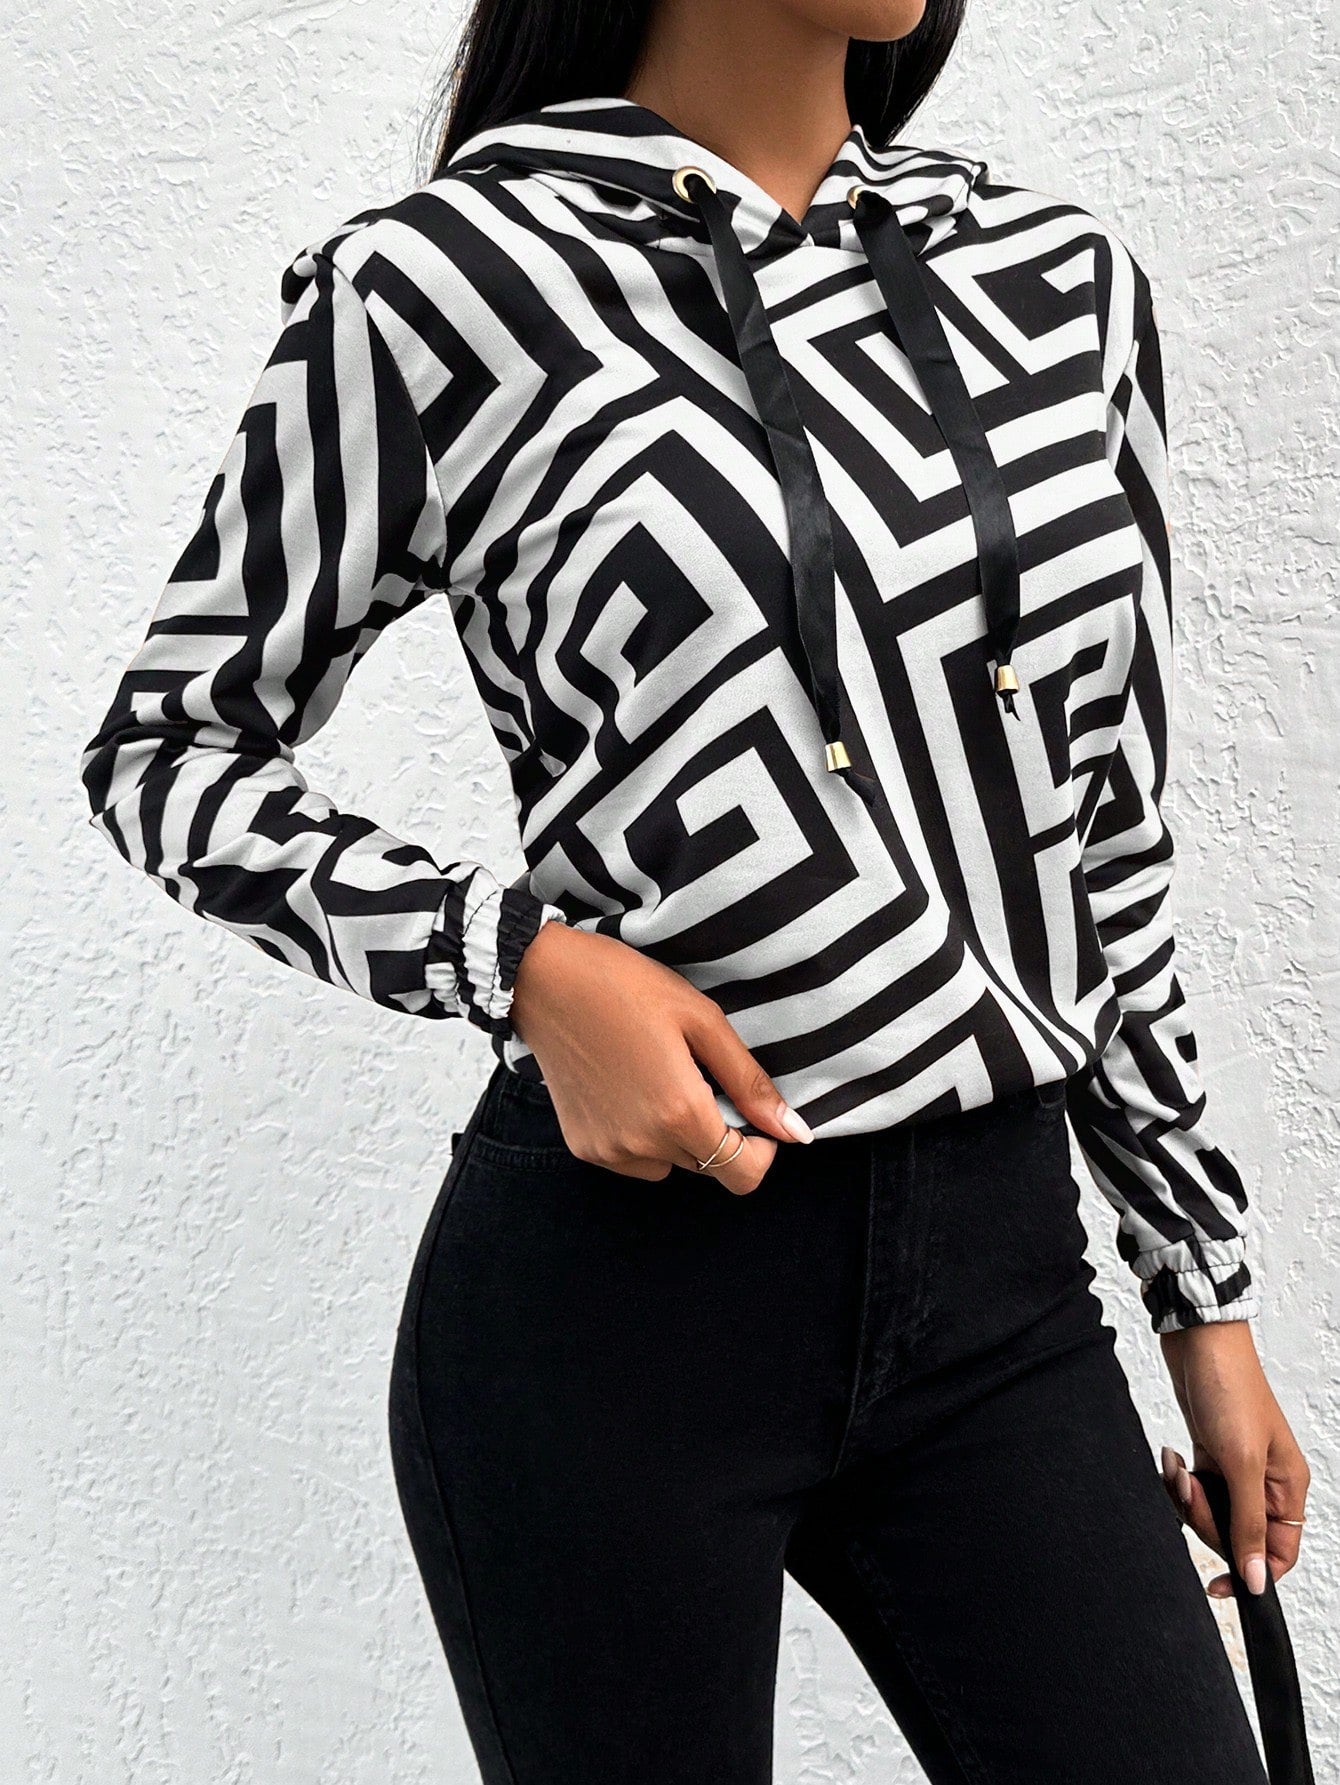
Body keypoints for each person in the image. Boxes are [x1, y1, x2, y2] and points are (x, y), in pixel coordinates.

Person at [79, 0, 1310, 1778]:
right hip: (613, 1314)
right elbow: (168, 748)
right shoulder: (443, 287)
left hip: (1001, 1285)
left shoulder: (1061, 286)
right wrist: (520, 960)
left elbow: (1101, 837)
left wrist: (1204, 1291)